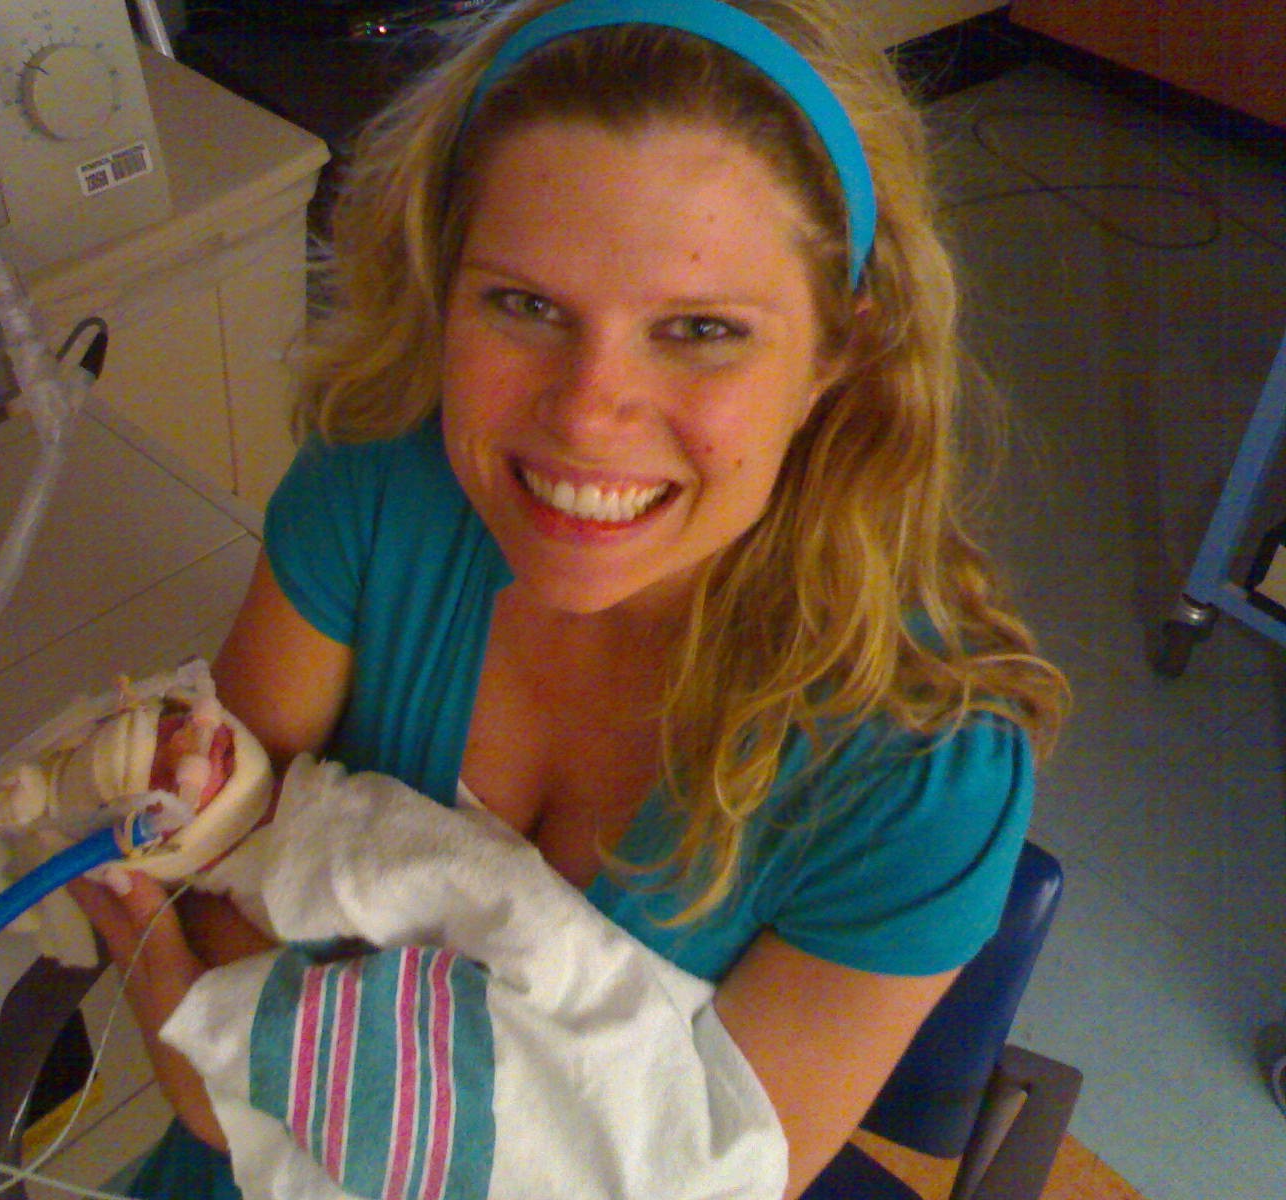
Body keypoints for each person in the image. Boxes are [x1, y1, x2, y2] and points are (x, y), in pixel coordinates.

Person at [68, 0, 1069, 1196]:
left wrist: (207, 1020)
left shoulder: (916, 765)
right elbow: (210, 859)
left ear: (836, 354)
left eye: (700, 330)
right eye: (526, 306)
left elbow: (686, 1179)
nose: (589, 413)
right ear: (444, 289)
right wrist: (219, 1015)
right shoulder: (371, 499)